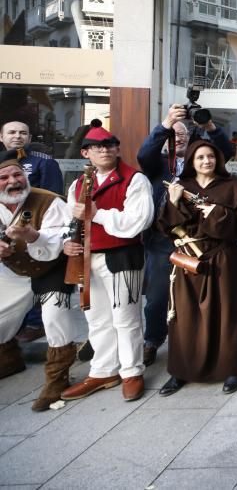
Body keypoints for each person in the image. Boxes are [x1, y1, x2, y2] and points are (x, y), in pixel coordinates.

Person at [61, 125, 154, 403]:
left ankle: (131, 371)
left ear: (117, 148)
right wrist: (68, 241)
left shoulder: (134, 180)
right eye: (98, 146)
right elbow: (71, 221)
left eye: (110, 144)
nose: (105, 150)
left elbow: (138, 222)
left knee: (126, 318)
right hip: (88, 258)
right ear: (85, 152)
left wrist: (97, 214)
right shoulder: (78, 185)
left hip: (122, 256)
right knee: (97, 318)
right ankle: (103, 370)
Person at [157, 140, 237, 396]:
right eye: (200, 157)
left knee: (228, 313)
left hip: (222, 257)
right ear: (192, 161)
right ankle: (182, 370)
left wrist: (216, 213)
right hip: (188, 259)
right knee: (185, 316)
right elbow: (164, 226)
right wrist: (173, 202)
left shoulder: (232, 187)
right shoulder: (181, 187)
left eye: (210, 156)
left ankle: (233, 367)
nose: (206, 161)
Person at [136, 105, 234, 367]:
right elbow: (143, 153)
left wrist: (209, 126)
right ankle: (152, 341)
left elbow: (226, 151)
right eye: (173, 135)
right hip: (161, 240)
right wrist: (167, 122)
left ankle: (196, 344)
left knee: (195, 297)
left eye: (183, 135)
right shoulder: (157, 165)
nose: (178, 138)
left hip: (195, 240)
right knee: (156, 296)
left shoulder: (197, 166)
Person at [0, 150, 78, 411]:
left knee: (54, 315)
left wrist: (33, 236)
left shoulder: (49, 201)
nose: (13, 182)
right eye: (4, 177)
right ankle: (7, 357)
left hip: (51, 268)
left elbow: (61, 240)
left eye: (17, 175)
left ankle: (57, 378)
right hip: (13, 270)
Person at [2, 119, 65, 344]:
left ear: (29, 138)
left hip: (38, 238)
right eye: (11, 132)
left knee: (43, 293)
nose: (17, 136)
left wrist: (34, 233)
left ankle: (34, 323)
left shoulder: (44, 162)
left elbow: (53, 200)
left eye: (23, 132)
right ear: (2, 137)